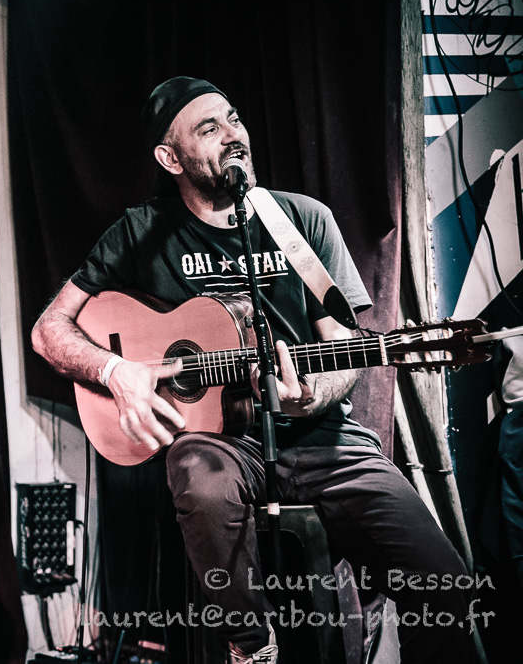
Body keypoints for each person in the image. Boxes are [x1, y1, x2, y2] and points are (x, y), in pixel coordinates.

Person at [31, 77, 475, 664]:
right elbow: (49, 330)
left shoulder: (302, 220)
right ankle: (251, 647)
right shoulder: (140, 233)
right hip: (218, 441)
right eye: (208, 128)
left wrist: (312, 395)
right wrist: (114, 370)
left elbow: (343, 349)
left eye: (234, 119)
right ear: (170, 158)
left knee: (447, 586)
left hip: (323, 439)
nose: (232, 134)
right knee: (197, 471)